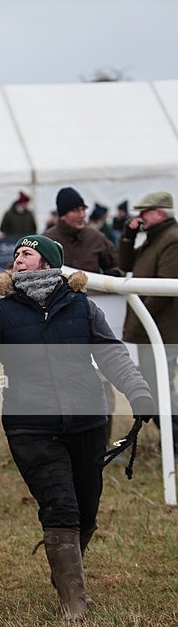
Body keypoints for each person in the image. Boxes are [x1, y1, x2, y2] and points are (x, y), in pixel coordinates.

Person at [0, 234, 154, 621]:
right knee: (61, 505)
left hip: (88, 422)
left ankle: (67, 572)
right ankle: (74, 602)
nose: (18, 259)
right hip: (30, 428)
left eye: (27, 254)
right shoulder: (0, 313)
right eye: (16, 254)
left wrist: (139, 391)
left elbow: (111, 352)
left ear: (48, 264)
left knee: (87, 511)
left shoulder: (82, 308)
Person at [44, 187, 122, 440]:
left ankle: (102, 440)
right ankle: (58, 438)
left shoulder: (96, 237)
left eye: (83, 209)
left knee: (101, 383)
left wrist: (112, 277)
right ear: (63, 214)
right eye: (75, 210)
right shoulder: (46, 240)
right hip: (56, 325)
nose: (81, 214)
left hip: (92, 321)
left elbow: (116, 268)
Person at [118, 191, 178, 452]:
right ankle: (173, 442)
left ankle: (174, 441)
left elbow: (163, 287)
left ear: (160, 213)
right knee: (154, 388)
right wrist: (128, 237)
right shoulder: (156, 238)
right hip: (153, 329)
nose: (139, 216)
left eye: (144, 212)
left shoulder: (171, 240)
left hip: (163, 330)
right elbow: (125, 265)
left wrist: (142, 313)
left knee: (159, 390)